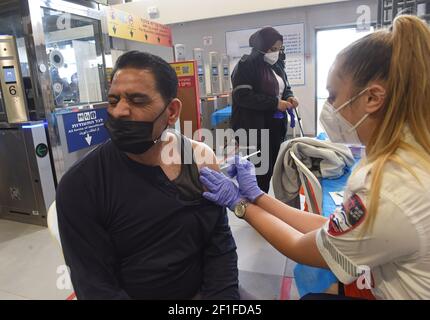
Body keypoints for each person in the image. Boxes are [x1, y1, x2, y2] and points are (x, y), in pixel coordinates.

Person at [199, 15, 430, 300]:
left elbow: (303, 247)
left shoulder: (393, 188)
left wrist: (240, 205)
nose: (329, 107)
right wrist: (258, 197)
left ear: (373, 98)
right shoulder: (406, 155)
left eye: (333, 96)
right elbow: (329, 227)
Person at [56, 51, 239, 300]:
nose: (119, 111)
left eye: (137, 101)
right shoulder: (81, 186)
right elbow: (97, 287)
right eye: (113, 100)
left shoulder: (199, 159)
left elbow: (219, 244)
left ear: (171, 111)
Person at [230, 26, 300, 193]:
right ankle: (255, 204)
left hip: (275, 126)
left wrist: (290, 97)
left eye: (278, 49)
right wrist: (275, 103)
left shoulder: (277, 65)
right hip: (254, 127)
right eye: (272, 48)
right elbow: (243, 96)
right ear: (262, 46)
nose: (275, 52)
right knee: (258, 169)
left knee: (270, 168)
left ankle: (264, 199)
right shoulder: (246, 65)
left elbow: (285, 87)